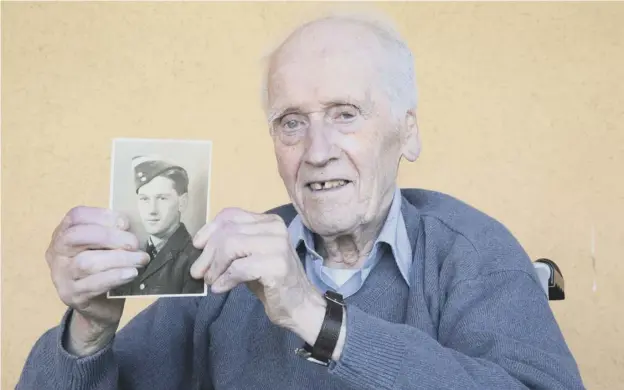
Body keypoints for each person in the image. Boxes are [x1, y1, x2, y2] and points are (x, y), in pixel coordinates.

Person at [17, 13, 585, 390]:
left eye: (345, 114)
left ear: (407, 133)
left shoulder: (473, 252)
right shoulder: (223, 265)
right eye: (291, 123)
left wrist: (312, 314)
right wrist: (88, 331)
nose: (317, 151)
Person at [109, 156, 205, 296]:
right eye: (144, 199)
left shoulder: (195, 260)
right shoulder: (127, 256)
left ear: (182, 202)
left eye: (162, 198)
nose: (152, 210)